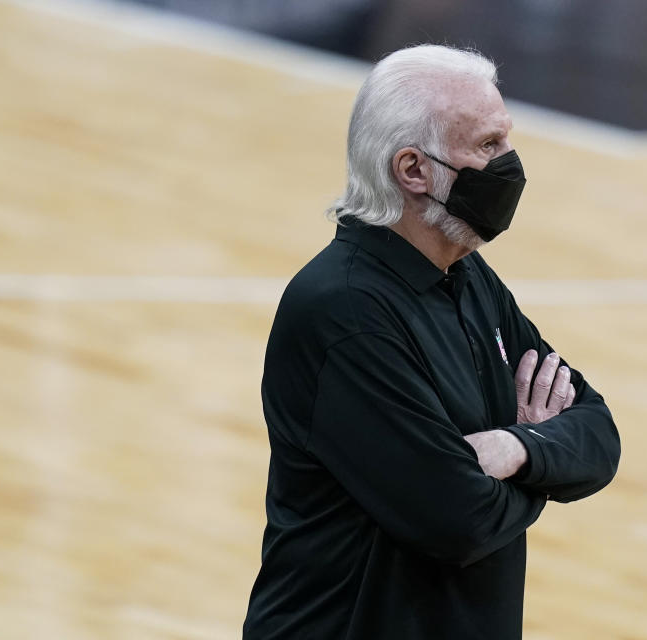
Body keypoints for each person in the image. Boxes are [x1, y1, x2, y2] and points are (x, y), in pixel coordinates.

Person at [243, 44, 620, 640]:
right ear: (413, 169)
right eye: (488, 146)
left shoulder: (469, 278)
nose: (511, 164)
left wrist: (514, 450)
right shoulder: (344, 314)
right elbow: (459, 520)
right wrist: (544, 465)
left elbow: (598, 434)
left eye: (507, 141)